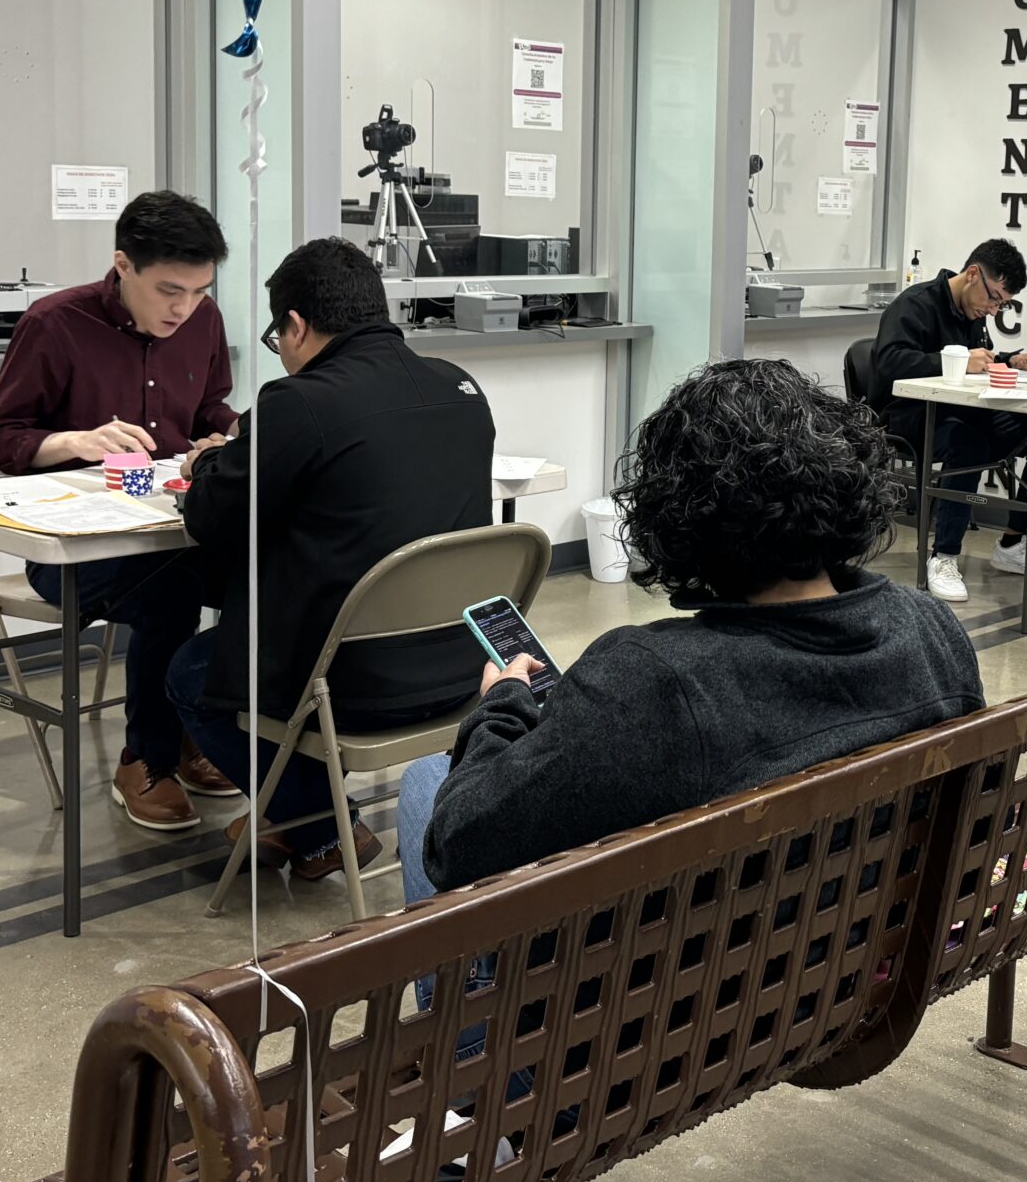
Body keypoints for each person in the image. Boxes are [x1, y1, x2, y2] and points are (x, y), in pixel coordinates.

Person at [408, 357, 984, 897]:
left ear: (676, 519)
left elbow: (457, 848)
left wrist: (503, 703)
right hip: (860, 971)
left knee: (426, 782)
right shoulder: (929, 626)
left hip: (661, 998)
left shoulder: (650, 683)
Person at [167, 238, 495, 881]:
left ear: (295, 325)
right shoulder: (462, 388)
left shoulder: (299, 402)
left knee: (191, 674)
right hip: (464, 664)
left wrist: (208, 462)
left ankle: (319, 827)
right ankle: (295, 830)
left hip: (353, 686)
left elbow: (211, 520)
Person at [0, 190, 241, 831]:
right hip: (70, 552)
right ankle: (144, 760)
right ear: (122, 266)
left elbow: (210, 411)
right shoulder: (54, 324)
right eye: (169, 290)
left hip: (170, 529)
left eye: (200, 290)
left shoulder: (203, 321)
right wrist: (72, 442)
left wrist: (229, 436)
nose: (185, 308)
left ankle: (194, 728)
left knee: (263, 571)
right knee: (172, 591)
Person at [866, 238, 1027, 603]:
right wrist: (952, 362)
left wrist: (1008, 360)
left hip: (963, 411)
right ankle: (944, 556)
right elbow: (889, 365)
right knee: (970, 443)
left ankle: (1014, 543)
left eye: (1003, 304)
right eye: (994, 298)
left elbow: (979, 360)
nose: (994, 309)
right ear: (973, 274)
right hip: (907, 415)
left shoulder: (972, 315)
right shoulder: (914, 306)